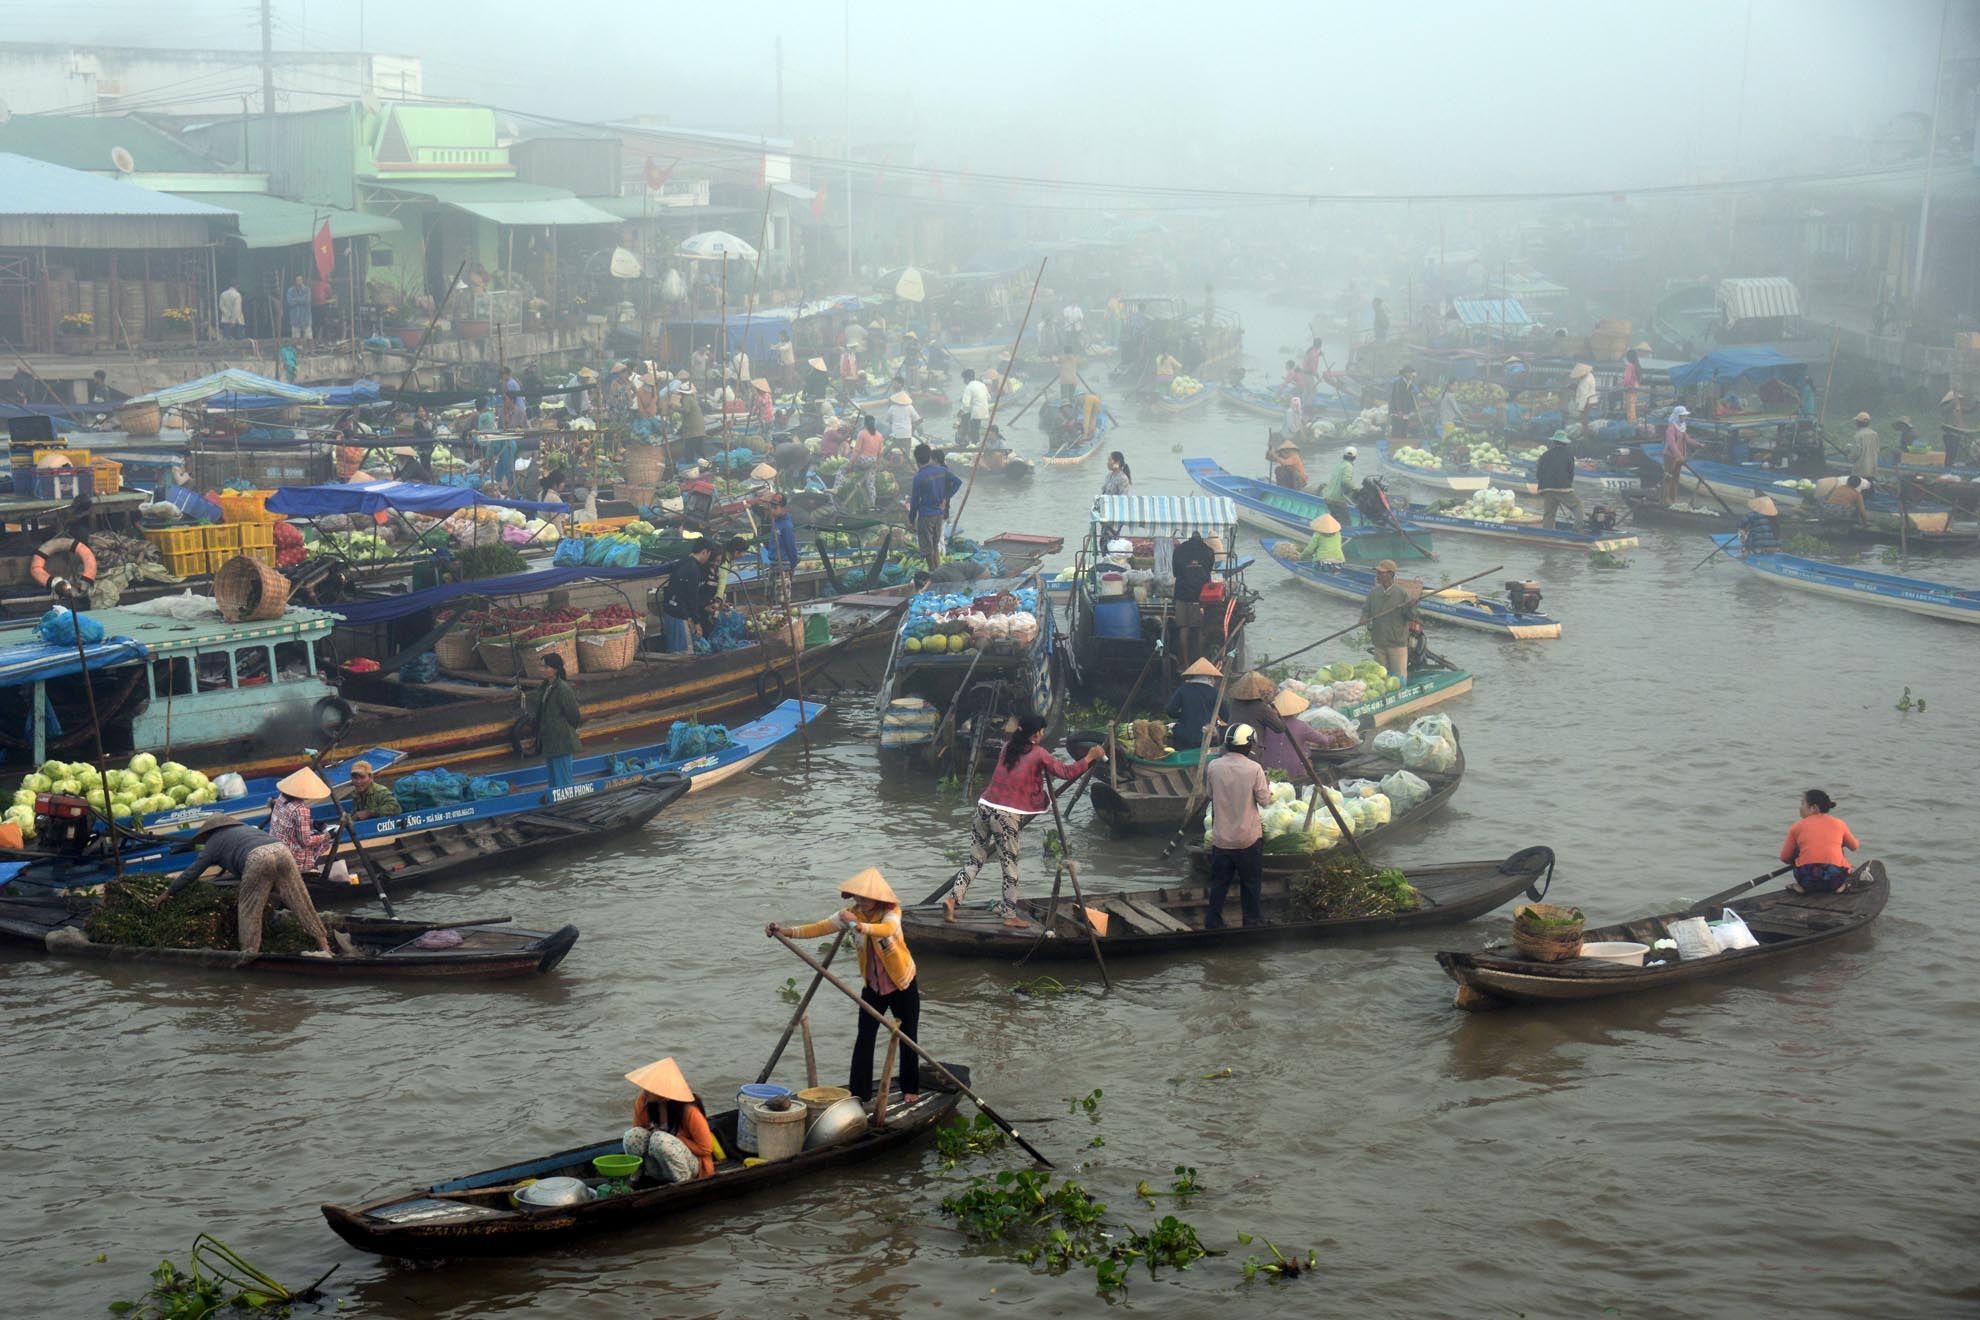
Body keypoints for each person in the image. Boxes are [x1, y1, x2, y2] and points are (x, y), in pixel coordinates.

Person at [766, 868, 920, 1103]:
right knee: (864, 1038)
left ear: (878, 897)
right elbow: (818, 928)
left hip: (902, 984)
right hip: (873, 987)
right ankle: (860, 1093)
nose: (861, 900)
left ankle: (911, 1088)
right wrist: (785, 931)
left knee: (908, 1037)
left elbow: (887, 930)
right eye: (858, 896)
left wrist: (858, 926)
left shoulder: (890, 912)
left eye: (866, 897)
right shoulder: (850, 914)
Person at [943, 715, 1103, 928]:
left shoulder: (1007, 747)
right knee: (1010, 867)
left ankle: (953, 899)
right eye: (1042, 731)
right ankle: (1009, 915)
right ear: (1035, 734)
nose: (1043, 734)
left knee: (975, 860)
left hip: (984, 806)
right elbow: (1066, 772)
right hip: (1005, 815)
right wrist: (1090, 757)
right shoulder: (1039, 753)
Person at [163, 813, 336, 958]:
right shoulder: (246, 829)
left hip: (257, 858)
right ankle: (324, 946)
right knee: (300, 900)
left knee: (249, 908)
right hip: (282, 851)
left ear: (207, 833)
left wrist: (169, 892)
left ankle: (249, 953)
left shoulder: (212, 843)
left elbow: (192, 872)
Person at [1204, 723, 1270, 928]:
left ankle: (1213, 921)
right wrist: (1269, 790)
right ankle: (1251, 920)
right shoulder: (1254, 768)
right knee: (1250, 883)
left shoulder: (1213, 766)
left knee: (1219, 883)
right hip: (1247, 838)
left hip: (1221, 839)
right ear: (1248, 745)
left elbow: (1210, 794)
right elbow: (1264, 800)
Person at [621, 1057, 717, 1182]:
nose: (644, 1091)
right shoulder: (644, 1102)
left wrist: (673, 1137)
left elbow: (705, 1149)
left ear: (664, 1095)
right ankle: (636, 1178)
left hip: (688, 1167)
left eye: (650, 1088)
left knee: (660, 1139)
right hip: (657, 1165)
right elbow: (638, 1130)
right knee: (632, 1135)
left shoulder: (689, 1111)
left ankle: (684, 1184)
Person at [1779, 789, 1861, 894]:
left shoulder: (1796, 826)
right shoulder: (1839, 823)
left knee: (1798, 856)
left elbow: (1785, 857)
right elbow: (1854, 847)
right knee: (1841, 858)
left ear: (1814, 808)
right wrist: (1841, 843)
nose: (1800, 808)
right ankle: (1841, 886)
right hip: (1834, 879)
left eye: (1802, 804)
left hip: (1807, 879)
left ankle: (1802, 887)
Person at [268, 767, 336, 876]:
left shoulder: (281, 798)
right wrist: (327, 836)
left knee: (316, 833)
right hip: (291, 857)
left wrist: (312, 822)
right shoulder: (301, 809)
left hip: (276, 847)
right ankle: (306, 867)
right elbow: (306, 841)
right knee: (325, 840)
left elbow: (289, 821)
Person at [1359, 559, 1416, 680]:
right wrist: (1364, 618)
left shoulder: (1403, 593)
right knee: (1379, 677)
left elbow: (1411, 617)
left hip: (1396, 643)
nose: (1378, 576)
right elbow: (1366, 610)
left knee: (1399, 677)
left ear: (1390, 574)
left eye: (1381, 573)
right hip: (1379, 641)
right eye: (1377, 573)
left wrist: (1410, 607)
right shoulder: (1374, 593)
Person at [908, 443, 961, 568]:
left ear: (916, 460)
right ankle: (938, 569)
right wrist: (946, 498)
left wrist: (911, 521)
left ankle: (933, 572)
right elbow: (957, 482)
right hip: (939, 515)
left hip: (926, 516)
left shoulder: (919, 477)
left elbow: (914, 502)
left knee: (927, 549)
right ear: (929, 457)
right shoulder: (942, 470)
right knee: (935, 545)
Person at [534, 651, 582, 789]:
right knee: (553, 778)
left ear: (555, 669)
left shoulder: (563, 689)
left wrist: (563, 728)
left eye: (546, 667)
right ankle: (554, 800)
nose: (543, 670)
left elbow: (574, 715)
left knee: (563, 780)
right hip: (549, 740)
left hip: (561, 740)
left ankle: (567, 801)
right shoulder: (544, 687)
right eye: (542, 666)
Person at [1258, 687, 1328, 781]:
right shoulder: (1301, 726)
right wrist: (1332, 738)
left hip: (1269, 769)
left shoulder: (1266, 724)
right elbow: (1323, 740)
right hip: (1293, 770)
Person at [659, 542, 712, 653]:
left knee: (672, 649)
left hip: (669, 610)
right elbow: (692, 597)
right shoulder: (694, 569)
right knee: (683, 651)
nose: (707, 558)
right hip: (679, 614)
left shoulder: (682, 562)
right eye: (708, 555)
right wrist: (696, 622)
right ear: (704, 552)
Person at [1166, 657, 1226, 751]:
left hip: (1185, 738)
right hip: (1208, 738)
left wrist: (1184, 715)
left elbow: (1170, 711)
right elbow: (1226, 716)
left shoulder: (1183, 690)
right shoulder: (1215, 692)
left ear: (1193, 676)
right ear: (1210, 678)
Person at [1535, 430, 1584, 530]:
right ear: (1565, 443)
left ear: (1553, 442)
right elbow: (1571, 473)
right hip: (1563, 488)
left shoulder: (1545, 454)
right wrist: (1568, 485)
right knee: (1577, 506)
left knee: (1549, 513)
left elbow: (1539, 472)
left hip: (1547, 488)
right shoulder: (1569, 455)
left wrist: (1542, 488)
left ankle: (1547, 533)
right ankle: (1577, 530)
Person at [1171, 531, 1215, 603]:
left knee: (1181, 609)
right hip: (1203, 593)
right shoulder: (1209, 551)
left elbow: (1175, 572)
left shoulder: (1178, 550)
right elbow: (1209, 569)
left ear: (1189, 537)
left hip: (1182, 594)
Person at [1662, 405, 1692, 504]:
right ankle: (1666, 498)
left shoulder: (1682, 427)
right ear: (1678, 416)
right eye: (1683, 415)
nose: (1685, 417)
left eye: (1685, 415)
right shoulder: (1671, 428)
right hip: (1670, 456)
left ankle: (1673, 498)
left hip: (1679, 458)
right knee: (1668, 477)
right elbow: (1672, 445)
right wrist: (1680, 456)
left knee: (1676, 478)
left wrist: (1699, 444)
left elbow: (1687, 439)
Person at [1322, 446, 1359, 526]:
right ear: (1354, 457)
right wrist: (1355, 488)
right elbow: (1345, 481)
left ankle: (1332, 531)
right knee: (1346, 523)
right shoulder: (1349, 466)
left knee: (1335, 520)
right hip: (1337, 499)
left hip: (1328, 497)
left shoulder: (1340, 465)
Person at [675, 381, 707, 465]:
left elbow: (686, 410)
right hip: (699, 428)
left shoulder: (686, 399)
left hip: (692, 430)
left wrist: (675, 408)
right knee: (699, 449)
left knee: (689, 449)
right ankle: (704, 464)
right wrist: (680, 430)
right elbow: (687, 418)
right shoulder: (692, 398)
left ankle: (690, 465)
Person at [958, 368, 991, 446]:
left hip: (976, 411)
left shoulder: (969, 387)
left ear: (967, 379)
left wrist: (960, 411)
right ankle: (974, 443)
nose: (963, 381)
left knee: (973, 429)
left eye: (964, 379)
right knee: (975, 428)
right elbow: (989, 398)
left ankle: (973, 444)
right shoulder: (981, 384)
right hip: (984, 410)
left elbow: (965, 404)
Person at [1941, 390, 1970, 468]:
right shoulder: (1946, 408)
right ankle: (1947, 468)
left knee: (1954, 453)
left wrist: (1976, 404)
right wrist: (1955, 396)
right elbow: (1952, 404)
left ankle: (1950, 468)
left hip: (1957, 434)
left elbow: (1969, 410)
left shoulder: (1958, 409)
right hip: (1949, 435)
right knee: (1950, 453)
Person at [1388, 366, 1419, 438]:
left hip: (1405, 410)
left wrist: (1413, 409)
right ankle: (1395, 442)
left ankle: (1402, 441)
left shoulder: (1410, 383)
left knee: (1404, 428)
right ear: (1406, 374)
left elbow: (1411, 397)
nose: (1412, 375)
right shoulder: (1399, 383)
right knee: (1396, 429)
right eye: (1410, 373)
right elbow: (1397, 397)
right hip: (1397, 410)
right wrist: (1399, 410)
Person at [1568, 362, 1599, 435]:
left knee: (1584, 419)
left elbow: (1583, 396)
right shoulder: (1590, 375)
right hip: (1592, 400)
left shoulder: (1585, 382)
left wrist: (1580, 408)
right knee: (1585, 418)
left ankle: (1585, 434)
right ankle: (1586, 432)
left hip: (1587, 402)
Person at [1851, 411, 1881, 481]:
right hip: (1872, 470)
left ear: (1858, 423)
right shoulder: (1875, 434)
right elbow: (1877, 450)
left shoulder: (1858, 435)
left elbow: (1855, 454)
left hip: (1860, 471)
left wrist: (1849, 457)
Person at [285, 274, 312, 341]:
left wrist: (296, 300)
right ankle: (298, 347)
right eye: (297, 280)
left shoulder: (307, 290)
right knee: (295, 338)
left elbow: (307, 301)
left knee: (308, 337)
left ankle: (308, 347)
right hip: (295, 317)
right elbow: (290, 302)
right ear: (295, 281)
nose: (299, 281)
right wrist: (301, 300)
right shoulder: (290, 290)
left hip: (305, 316)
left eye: (300, 279)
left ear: (303, 280)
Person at [1622, 346, 1644, 425]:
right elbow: (1639, 379)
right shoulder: (1637, 365)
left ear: (1629, 357)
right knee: (1632, 407)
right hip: (1635, 389)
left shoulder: (1629, 366)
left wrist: (1623, 385)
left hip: (1629, 389)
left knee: (1629, 408)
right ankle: (1633, 423)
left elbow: (1627, 380)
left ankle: (1631, 424)